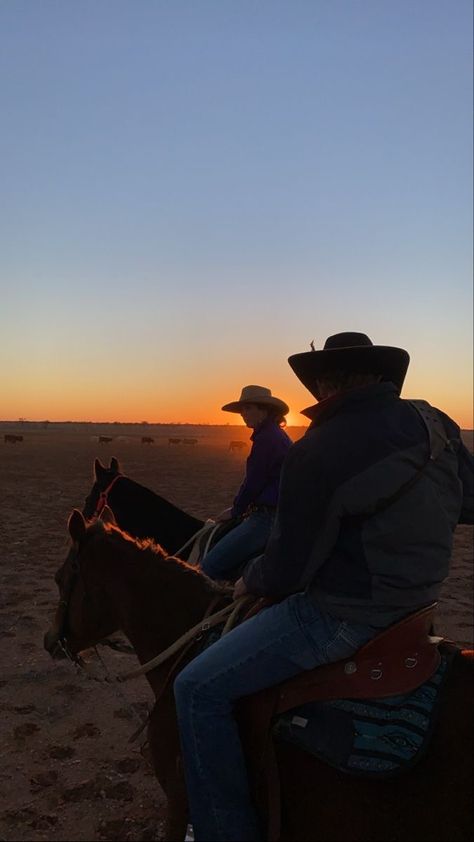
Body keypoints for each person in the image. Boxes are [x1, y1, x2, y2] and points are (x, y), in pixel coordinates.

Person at [174, 332, 474, 842]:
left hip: (343, 617)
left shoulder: (319, 449)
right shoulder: (436, 424)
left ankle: (223, 832)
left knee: (196, 688)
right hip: (418, 610)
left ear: (325, 386)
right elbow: (468, 505)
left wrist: (251, 578)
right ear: (383, 378)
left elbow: (288, 571)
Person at [200, 384, 292, 581]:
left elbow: (253, 483)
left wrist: (235, 510)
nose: (243, 414)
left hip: (267, 518)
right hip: (276, 513)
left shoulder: (267, 439)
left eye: (248, 408)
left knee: (209, 565)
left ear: (264, 410)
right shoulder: (276, 436)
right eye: (242, 409)